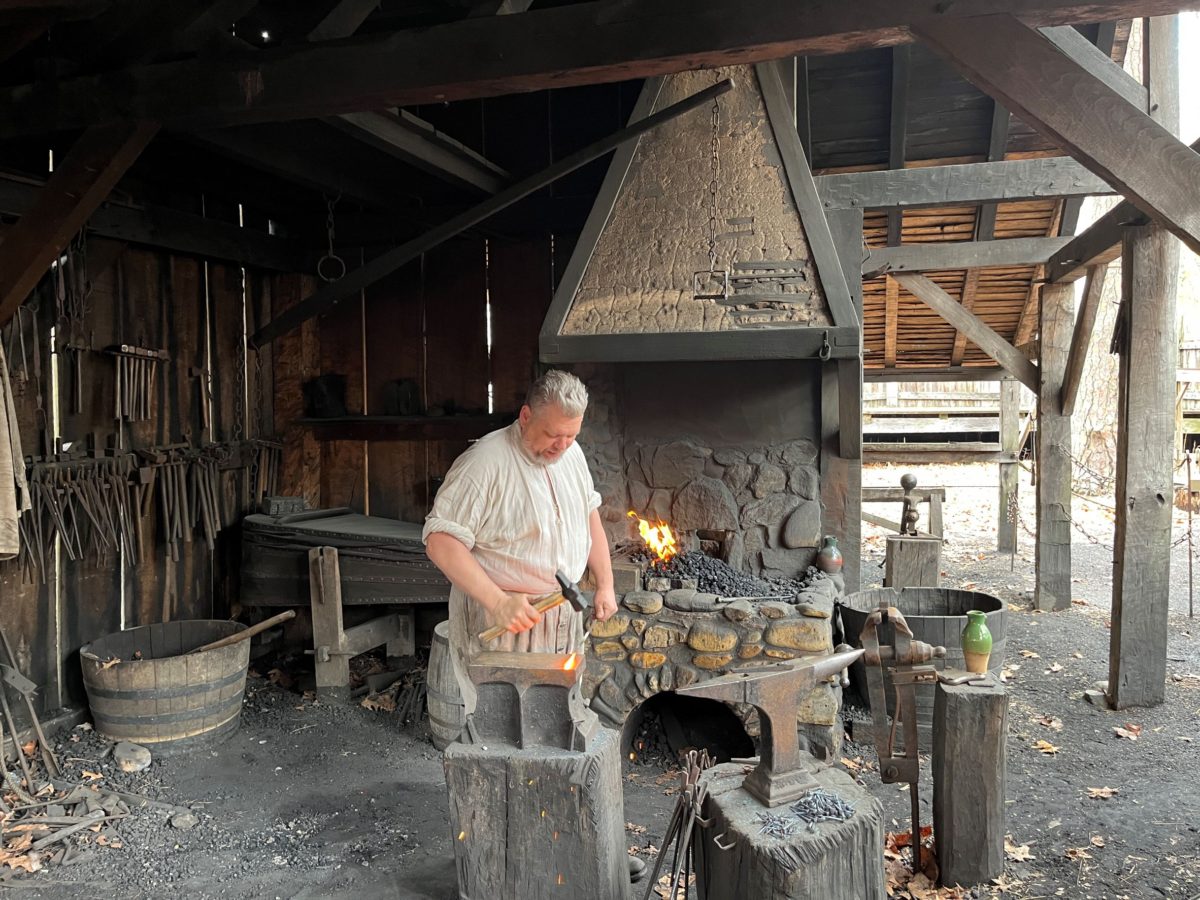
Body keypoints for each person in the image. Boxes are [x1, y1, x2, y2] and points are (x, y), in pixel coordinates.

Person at [422, 369, 617, 698]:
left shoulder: (572, 455)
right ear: (526, 416)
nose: (563, 446)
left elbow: (589, 516)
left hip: (561, 617)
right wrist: (497, 602)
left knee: (557, 722)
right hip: (502, 623)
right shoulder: (484, 462)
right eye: (554, 434)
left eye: (572, 436)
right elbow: (440, 542)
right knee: (500, 731)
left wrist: (605, 584)